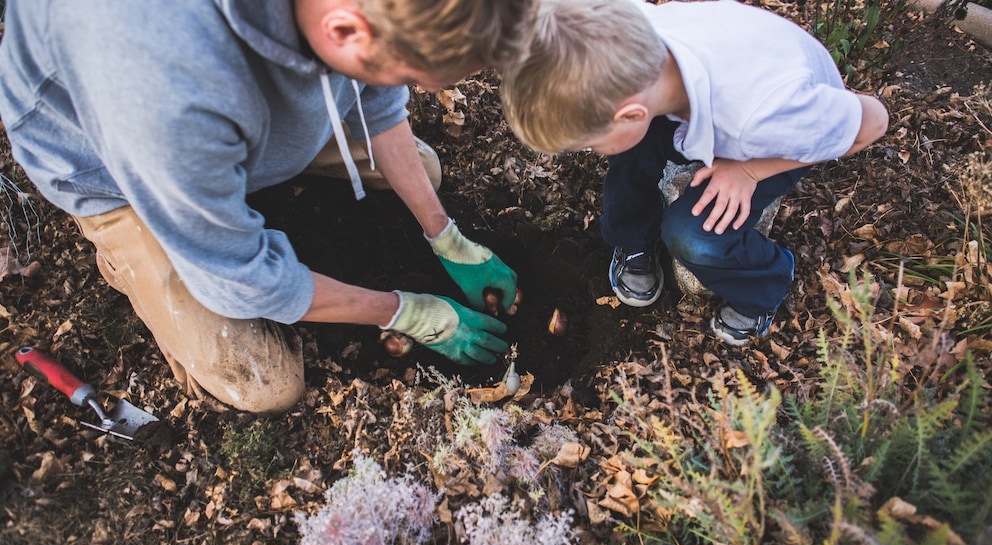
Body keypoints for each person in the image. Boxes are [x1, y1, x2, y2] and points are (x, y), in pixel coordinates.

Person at [0, 0, 532, 413]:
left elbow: (374, 97)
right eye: (411, 76)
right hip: (118, 173)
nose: (410, 88)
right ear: (344, 31)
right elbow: (247, 280)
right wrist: (405, 312)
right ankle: (136, 244)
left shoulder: (364, 13)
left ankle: (235, 183)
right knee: (264, 381)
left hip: (242, 120)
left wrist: (446, 236)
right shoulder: (167, 93)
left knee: (425, 175)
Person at [500, 0, 889, 345]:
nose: (589, 150)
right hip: (704, 92)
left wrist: (749, 172)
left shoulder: (762, 116)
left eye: (589, 143)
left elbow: (872, 121)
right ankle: (633, 239)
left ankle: (765, 283)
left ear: (632, 114)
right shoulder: (628, 32)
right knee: (630, 148)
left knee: (693, 236)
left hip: (774, 142)